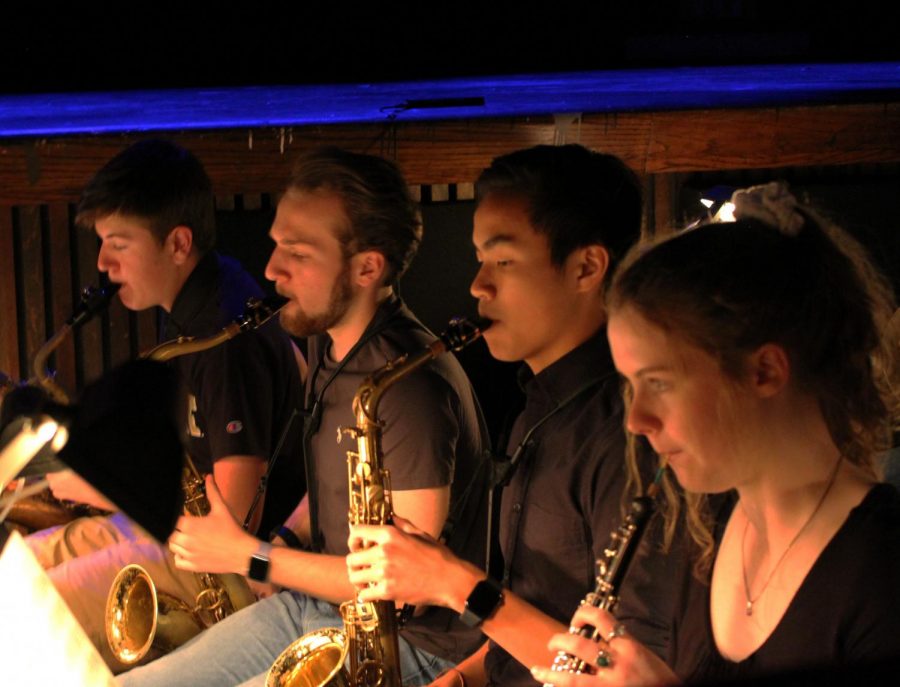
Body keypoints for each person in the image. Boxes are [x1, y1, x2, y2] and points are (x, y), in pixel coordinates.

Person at [119, 147, 490, 687]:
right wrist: (288, 542)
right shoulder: (328, 344)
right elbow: (341, 489)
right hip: (320, 606)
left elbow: (405, 589)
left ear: (366, 267)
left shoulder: (410, 390)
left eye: (297, 252)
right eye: (275, 245)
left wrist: (256, 557)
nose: (271, 270)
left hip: (411, 649)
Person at [531, 182, 900, 686]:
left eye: (658, 382)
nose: (637, 422)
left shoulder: (882, 572)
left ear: (764, 371)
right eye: (632, 386)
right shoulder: (711, 529)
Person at [346, 144, 675, 687]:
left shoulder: (631, 435)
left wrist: (454, 583)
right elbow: (532, 615)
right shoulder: (536, 412)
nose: (478, 285)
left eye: (503, 260)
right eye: (480, 260)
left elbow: (622, 669)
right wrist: (461, 677)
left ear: (586, 268)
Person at [25, 139, 305, 671]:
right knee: (19, 569)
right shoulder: (201, 299)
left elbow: (236, 517)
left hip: (218, 564)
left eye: (118, 244)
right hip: (177, 527)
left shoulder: (224, 337)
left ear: (177, 243)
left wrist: (90, 481)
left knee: (34, 614)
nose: (103, 264)